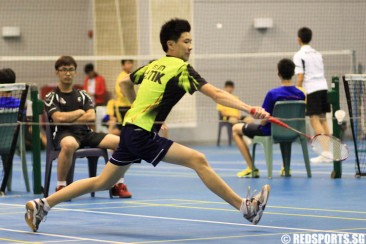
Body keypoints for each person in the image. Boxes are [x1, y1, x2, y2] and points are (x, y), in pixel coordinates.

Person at [25, 19, 270, 233]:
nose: (190, 46)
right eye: (186, 41)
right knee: (198, 160)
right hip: (140, 135)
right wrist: (250, 109)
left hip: (131, 130)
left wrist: (139, 111)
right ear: (171, 45)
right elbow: (216, 94)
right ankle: (245, 208)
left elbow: (124, 84)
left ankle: (42, 205)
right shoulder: (182, 70)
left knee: (102, 182)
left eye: (190, 41)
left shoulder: (153, 65)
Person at [43, 56, 131, 198]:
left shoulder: (83, 95)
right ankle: (61, 187)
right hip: (63, 134)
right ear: (57, 72)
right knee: (69, 144)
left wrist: (69, 118)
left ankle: (118, 184)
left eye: (71, 69)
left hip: (86, 133)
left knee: (120, 142)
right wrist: (79, 112)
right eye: (64, 70)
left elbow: (91, 116)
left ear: (76, 72)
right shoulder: (51, 97)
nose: (68, 73)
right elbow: (58, 118)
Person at [233, 59, 306, 178]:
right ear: (293, 73)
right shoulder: (301, 94)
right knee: (284, 132)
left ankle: (251, 168)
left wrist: (252, 120)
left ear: (278, 73)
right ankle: (285, 167)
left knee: (235, 129)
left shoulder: (273, 94)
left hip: (269, 131)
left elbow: (263, 120)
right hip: (291, 131)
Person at [293, 27, 331, 164]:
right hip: (323, 87)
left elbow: (301, 75)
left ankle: (325, 153)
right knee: (323, 120)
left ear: (298, 39)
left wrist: (297, 91)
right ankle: (329, 151)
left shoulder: (299, 55)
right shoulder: (317, 54)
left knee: (314, 120)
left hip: (312, 89)